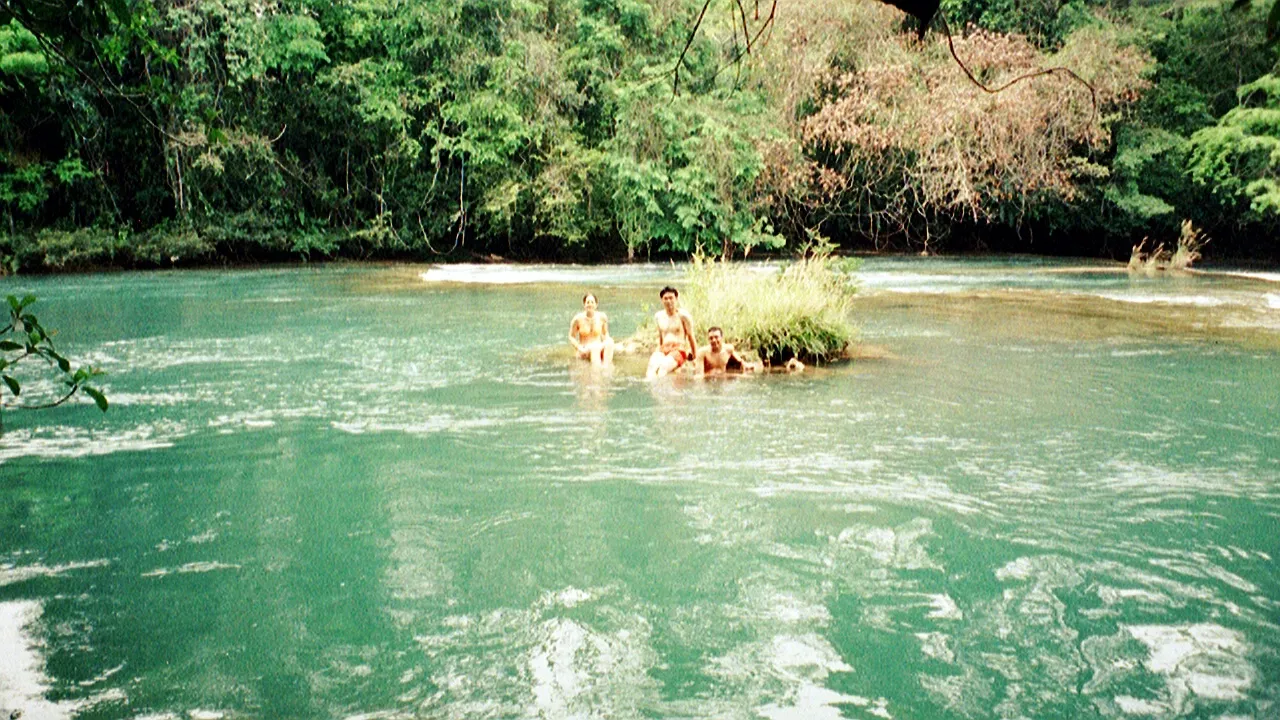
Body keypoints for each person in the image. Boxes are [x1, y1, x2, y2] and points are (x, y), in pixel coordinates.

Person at [646, 286, 697, 378]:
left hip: (678, 349)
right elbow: (661, 336)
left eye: (671, 298)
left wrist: (695, 356)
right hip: (664, 348)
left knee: (663, 368)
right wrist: (659, 350)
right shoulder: (659, 316)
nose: (668, 301)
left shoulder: (683, 316)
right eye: (665, 298)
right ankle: (653, 390)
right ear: (662, 300)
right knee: (651, 367)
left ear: (676, 299)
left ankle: (662, 388)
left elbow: (691, 336)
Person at [569, 293, 614, 366]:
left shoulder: (602, 317)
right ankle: (596, 371)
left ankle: (607, 368)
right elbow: (571, 336)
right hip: (585, 349)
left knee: (610, 342)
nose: (590, 304)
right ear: (584, 305)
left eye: (592, 302)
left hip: (598, 346)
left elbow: (605, 333)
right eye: (588, 302)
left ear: (596, 305)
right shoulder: (577, 319)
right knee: (594, 348)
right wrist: (579, 347)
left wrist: (606, 342)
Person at [695, 327, 760, 376]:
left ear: (722, 338)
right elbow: (699, 375)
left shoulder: (729, 349)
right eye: (711, 338)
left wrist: (751, 368)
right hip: (708, 382)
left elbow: (741, 363)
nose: (714, 340)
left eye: (716, 337)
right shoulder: (702, 353)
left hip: (723, 380)